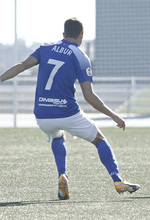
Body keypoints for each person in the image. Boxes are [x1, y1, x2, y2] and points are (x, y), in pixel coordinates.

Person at [0, 17, 140, 199]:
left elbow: (22, 66)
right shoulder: (81, 56)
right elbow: (89, 97)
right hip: (68, 113)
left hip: (42, 115)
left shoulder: (45, 48)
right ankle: (117, 180)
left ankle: (63, 175)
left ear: (63, 34)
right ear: (82, 35)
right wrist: (115, 116)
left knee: (58, 135)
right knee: (99, 139)